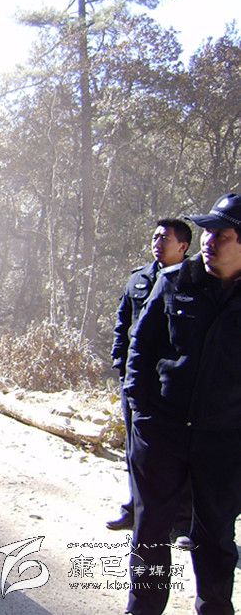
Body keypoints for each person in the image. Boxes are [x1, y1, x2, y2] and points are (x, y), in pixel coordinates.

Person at [124, 193, 241, 614]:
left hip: (224, 442)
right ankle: (142, 608)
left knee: (215, 537)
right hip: (163, 433)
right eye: (207, 232)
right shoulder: (175, 281)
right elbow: (141, 347)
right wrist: (142, 413)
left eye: (221, 234)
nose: (209, 241)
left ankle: (214, 608)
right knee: (151, 530)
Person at [107, 219, 191, 534]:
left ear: (183, 246)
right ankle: (134, 508)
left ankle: (182, 521)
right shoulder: (139, 278)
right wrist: (120, 359)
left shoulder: (194, 281)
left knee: (178, 452)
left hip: (172, 382)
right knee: (136, 447)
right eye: (155, 237)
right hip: (136, 377)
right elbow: (123, 321)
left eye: (165, 238)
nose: (157, 243)